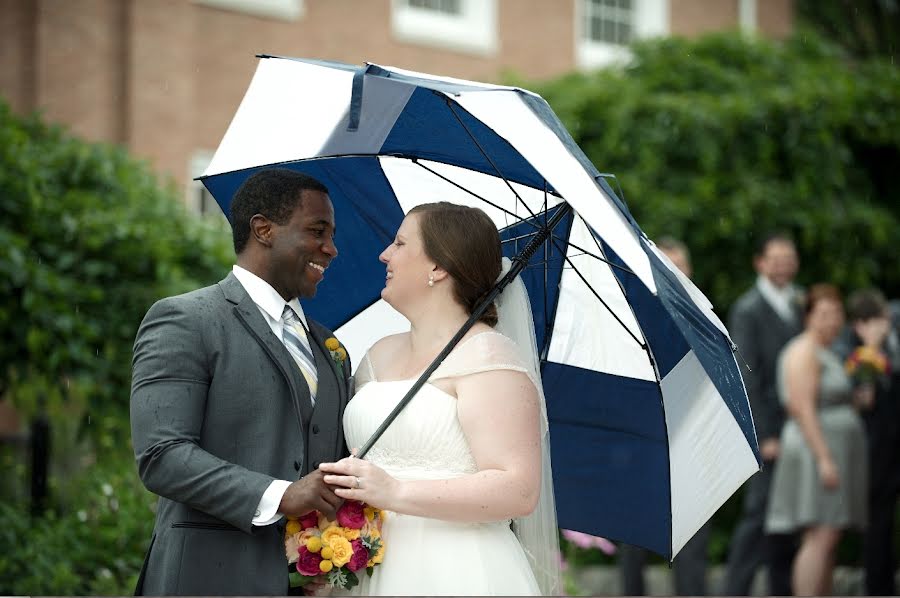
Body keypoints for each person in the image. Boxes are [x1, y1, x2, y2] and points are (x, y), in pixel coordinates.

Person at [319, 202, 561, 595]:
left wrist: (396, 492)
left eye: (399, 243)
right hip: (368, 564)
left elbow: (518, 489)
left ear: (438, 268)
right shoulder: (376, 354)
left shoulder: (490, 358)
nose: (385, 254)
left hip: (458, 569)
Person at [130, 168, 351, 595]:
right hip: (204, 578)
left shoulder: (330, 346)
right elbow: (162, 455)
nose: (331, 249)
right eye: (317, 231)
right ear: (263, 229)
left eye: (331, 234)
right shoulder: (186, 320)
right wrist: (281, 495)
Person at [619, 236, 711, 596]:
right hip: (640, 441)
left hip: (691, 441)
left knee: (693, 541)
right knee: (633, 540)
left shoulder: (705, 322)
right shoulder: (630, 318)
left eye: (679, 266)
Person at [764, 284, 867, 596]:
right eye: (824, 314)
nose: (832, 321)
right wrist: (824, 458)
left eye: (837, 314)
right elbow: (802, 407)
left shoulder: (830, 351)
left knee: (829, 535)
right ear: (808, 316)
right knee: (819, 535)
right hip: (815, 450)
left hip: (829, 447)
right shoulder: (804, 351)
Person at [722, 232, 803, 596]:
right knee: (758, 516)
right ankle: (734, 590)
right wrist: (762, 434)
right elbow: (747, 376)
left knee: (787, 519)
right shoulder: (748, 308)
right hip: (768, 431)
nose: (784, 263)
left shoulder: (798, 306)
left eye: (789, 257)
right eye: (776, 257)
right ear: (760, 262)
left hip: (797, 428)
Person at [836, 289, 899, 595]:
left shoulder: (893, 337)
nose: (883, 326)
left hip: (893, 443)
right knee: (877, 523)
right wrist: (870, 352)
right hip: (872, 450)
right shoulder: (849, 349)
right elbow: (861, 397)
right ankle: (877, 588)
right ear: (859, 325)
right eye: (875, 321)